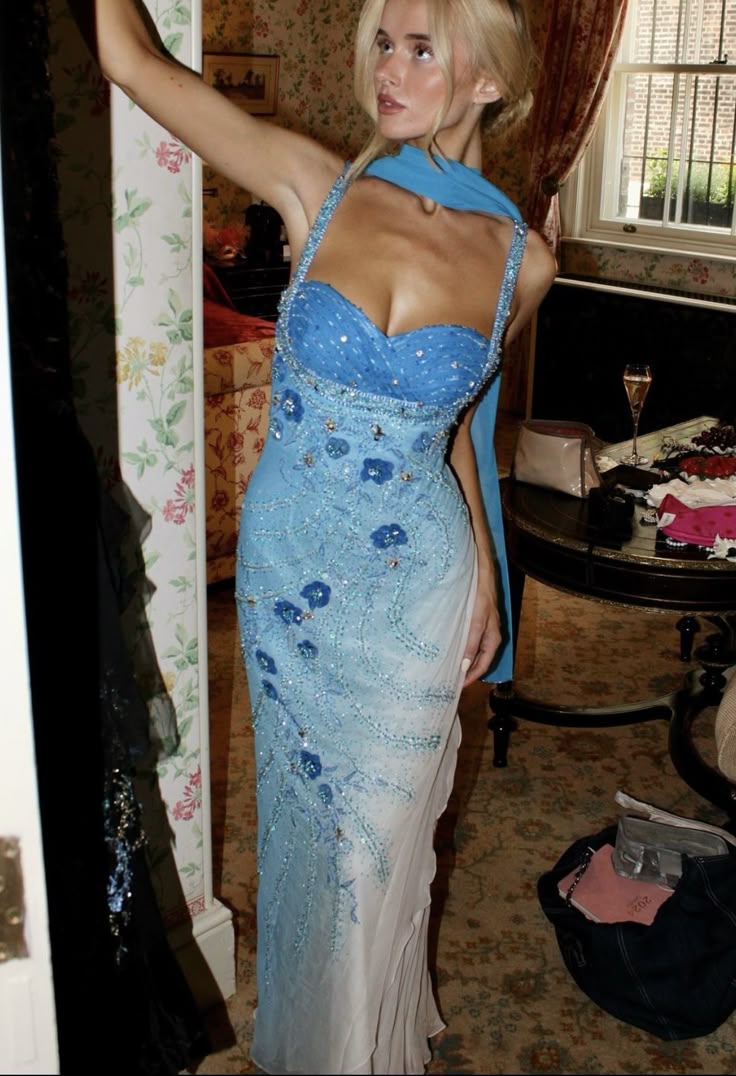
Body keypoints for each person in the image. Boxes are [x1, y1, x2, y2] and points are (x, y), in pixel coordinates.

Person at [77, 0, 556, 1071]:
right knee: (311, 834)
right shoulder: (314, 183)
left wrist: (484, 576)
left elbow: (463, 428)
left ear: (487, 79)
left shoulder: (522, 264)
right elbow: (128, 59)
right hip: (291, 571)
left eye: (420, 49)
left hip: (418, 582)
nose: (388, 69)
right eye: (382, 43)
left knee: (375, 853)